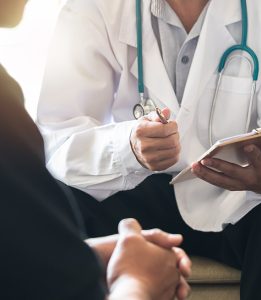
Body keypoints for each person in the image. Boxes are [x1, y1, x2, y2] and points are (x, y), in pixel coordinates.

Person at [37, 0, 261, 298]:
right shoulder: (92, 8)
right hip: (138, 188)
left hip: (239, 200)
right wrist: (128, 147)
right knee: (61, 203)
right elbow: (57, 142)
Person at [0, 0, 192, 299]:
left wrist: (83, 254)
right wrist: (139, 280)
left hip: (232, 200)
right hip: (133, 191)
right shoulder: (4, 110)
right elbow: (59, 145)